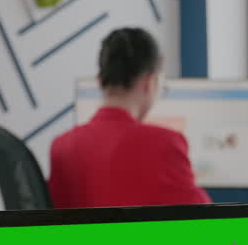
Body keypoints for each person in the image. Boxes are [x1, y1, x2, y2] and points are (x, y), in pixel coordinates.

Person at [48, 27, 213, 209]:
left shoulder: (61, 147)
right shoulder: (166, 143)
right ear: (150, 83)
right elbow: (204, 220)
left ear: (100, 81)